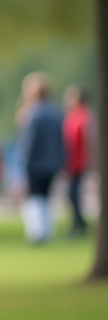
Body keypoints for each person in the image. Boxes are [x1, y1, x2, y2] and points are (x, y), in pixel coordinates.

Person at [17, 72, 65, 243]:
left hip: (35, 164)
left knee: (35, 197)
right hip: (53, 163)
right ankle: (47, 230)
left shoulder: (33, 114)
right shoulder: (56, 113)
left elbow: (30, 143)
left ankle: (37, 232)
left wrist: (23, 162)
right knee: (46, 197)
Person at [62, 85, 93, 237]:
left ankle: (79, 224)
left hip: (80, 163)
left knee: (74, 194)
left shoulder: (85, 116)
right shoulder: (72, 116)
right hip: (73, 163)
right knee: (71, 195)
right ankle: (78, 223)